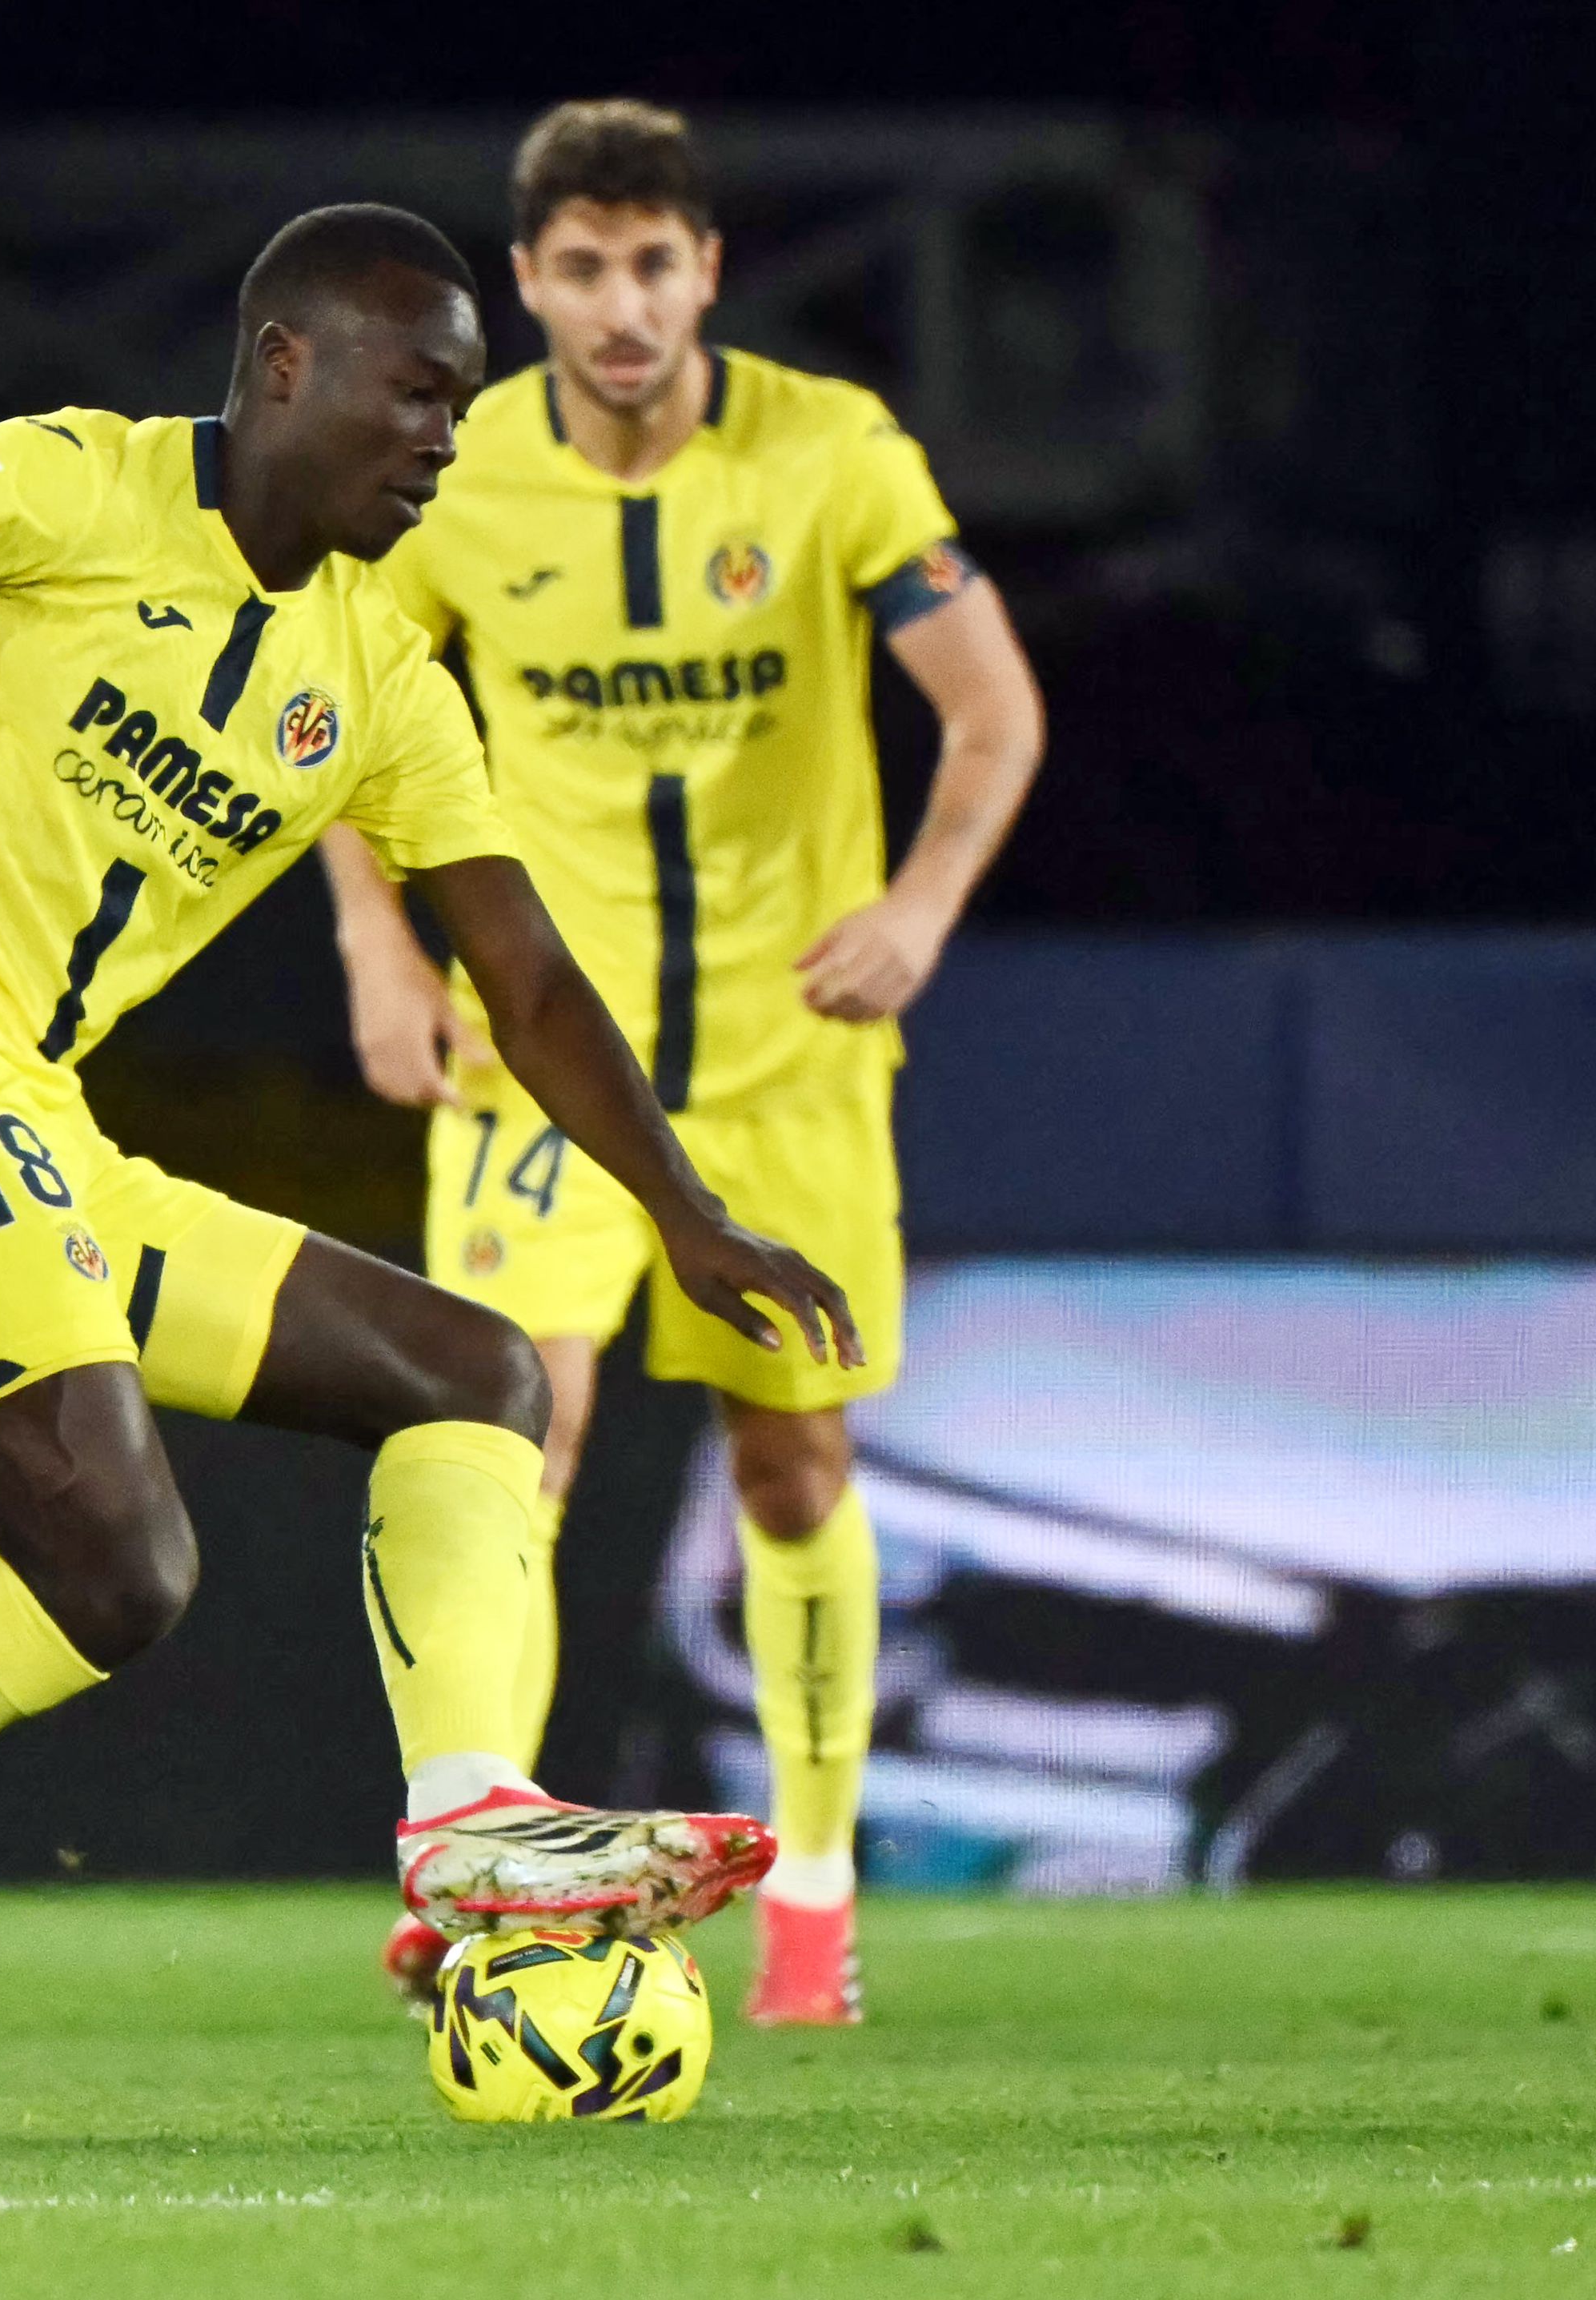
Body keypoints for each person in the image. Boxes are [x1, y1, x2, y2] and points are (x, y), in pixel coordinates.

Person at [0, 203, 864, 2118]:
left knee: (461, 1386)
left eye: (463, 405)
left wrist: (682, 1215)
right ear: (287, 364)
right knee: (119, 1540)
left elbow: (520, 973)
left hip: (19, 1107)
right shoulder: (68, 485)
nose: (445, 438)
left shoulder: (374, 672)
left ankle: (464, 1819)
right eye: (418, 391)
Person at [318, 102, 1046, 2026]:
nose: (620, 305)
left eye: (653, 264)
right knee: (505, 1430)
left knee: (792, 1464)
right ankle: (485, 1849)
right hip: (550, 1056)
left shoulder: (830, 455)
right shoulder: (459, 481)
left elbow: (990, 710)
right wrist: (375, 947)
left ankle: (812, 1895)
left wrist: (924, 906)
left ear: (706, 272)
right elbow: (335, 703)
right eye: (580, 267)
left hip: (788, 1053)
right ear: (529, 282)